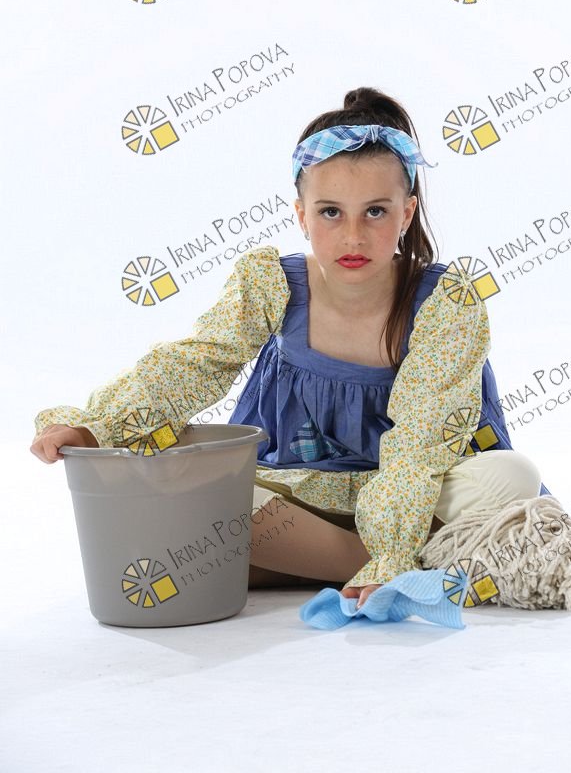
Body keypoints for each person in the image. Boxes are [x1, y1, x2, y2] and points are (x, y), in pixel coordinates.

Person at [30, 87, 543, 609]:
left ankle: (328, 561)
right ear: (301, 214)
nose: (353, 237)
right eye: (330, 212)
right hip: (294, 491)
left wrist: (390, 546)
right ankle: (383, 564)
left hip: (417, 495)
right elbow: (197, 362)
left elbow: (420, 444)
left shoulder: (445, 303)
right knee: (194, 487)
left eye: (375, 212)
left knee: (512, 476)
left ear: (406, 213)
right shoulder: (272, 285)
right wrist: (100, 424)